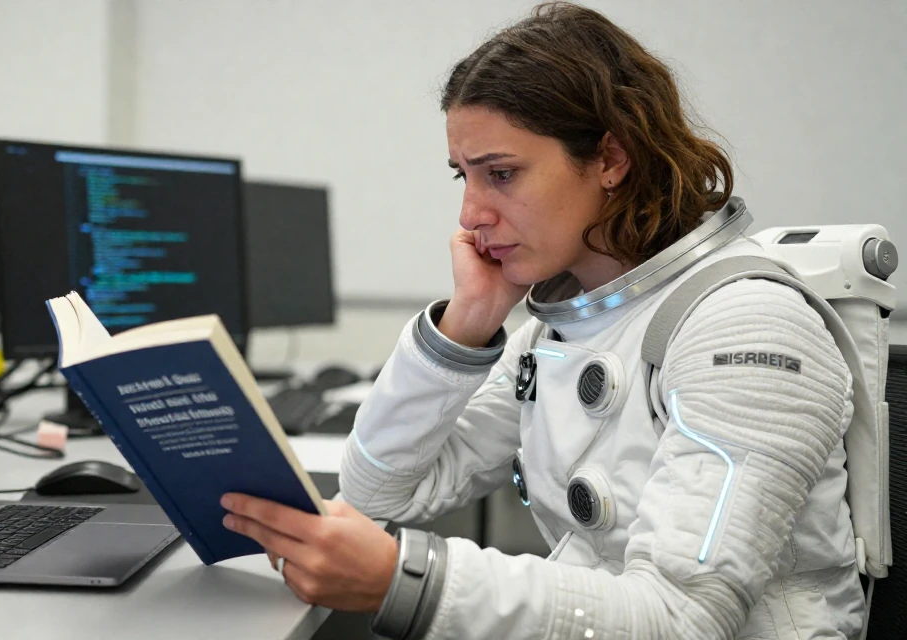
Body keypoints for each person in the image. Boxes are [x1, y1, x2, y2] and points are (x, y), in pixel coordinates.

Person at [220, 3, 865, 638]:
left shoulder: (747, 325)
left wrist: (405, 582)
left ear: (611, 159)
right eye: (463, 176)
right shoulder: (561, 325)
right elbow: (376, 495)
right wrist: (463, 326)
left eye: (501, 174)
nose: (471, 214)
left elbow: (683, 619)